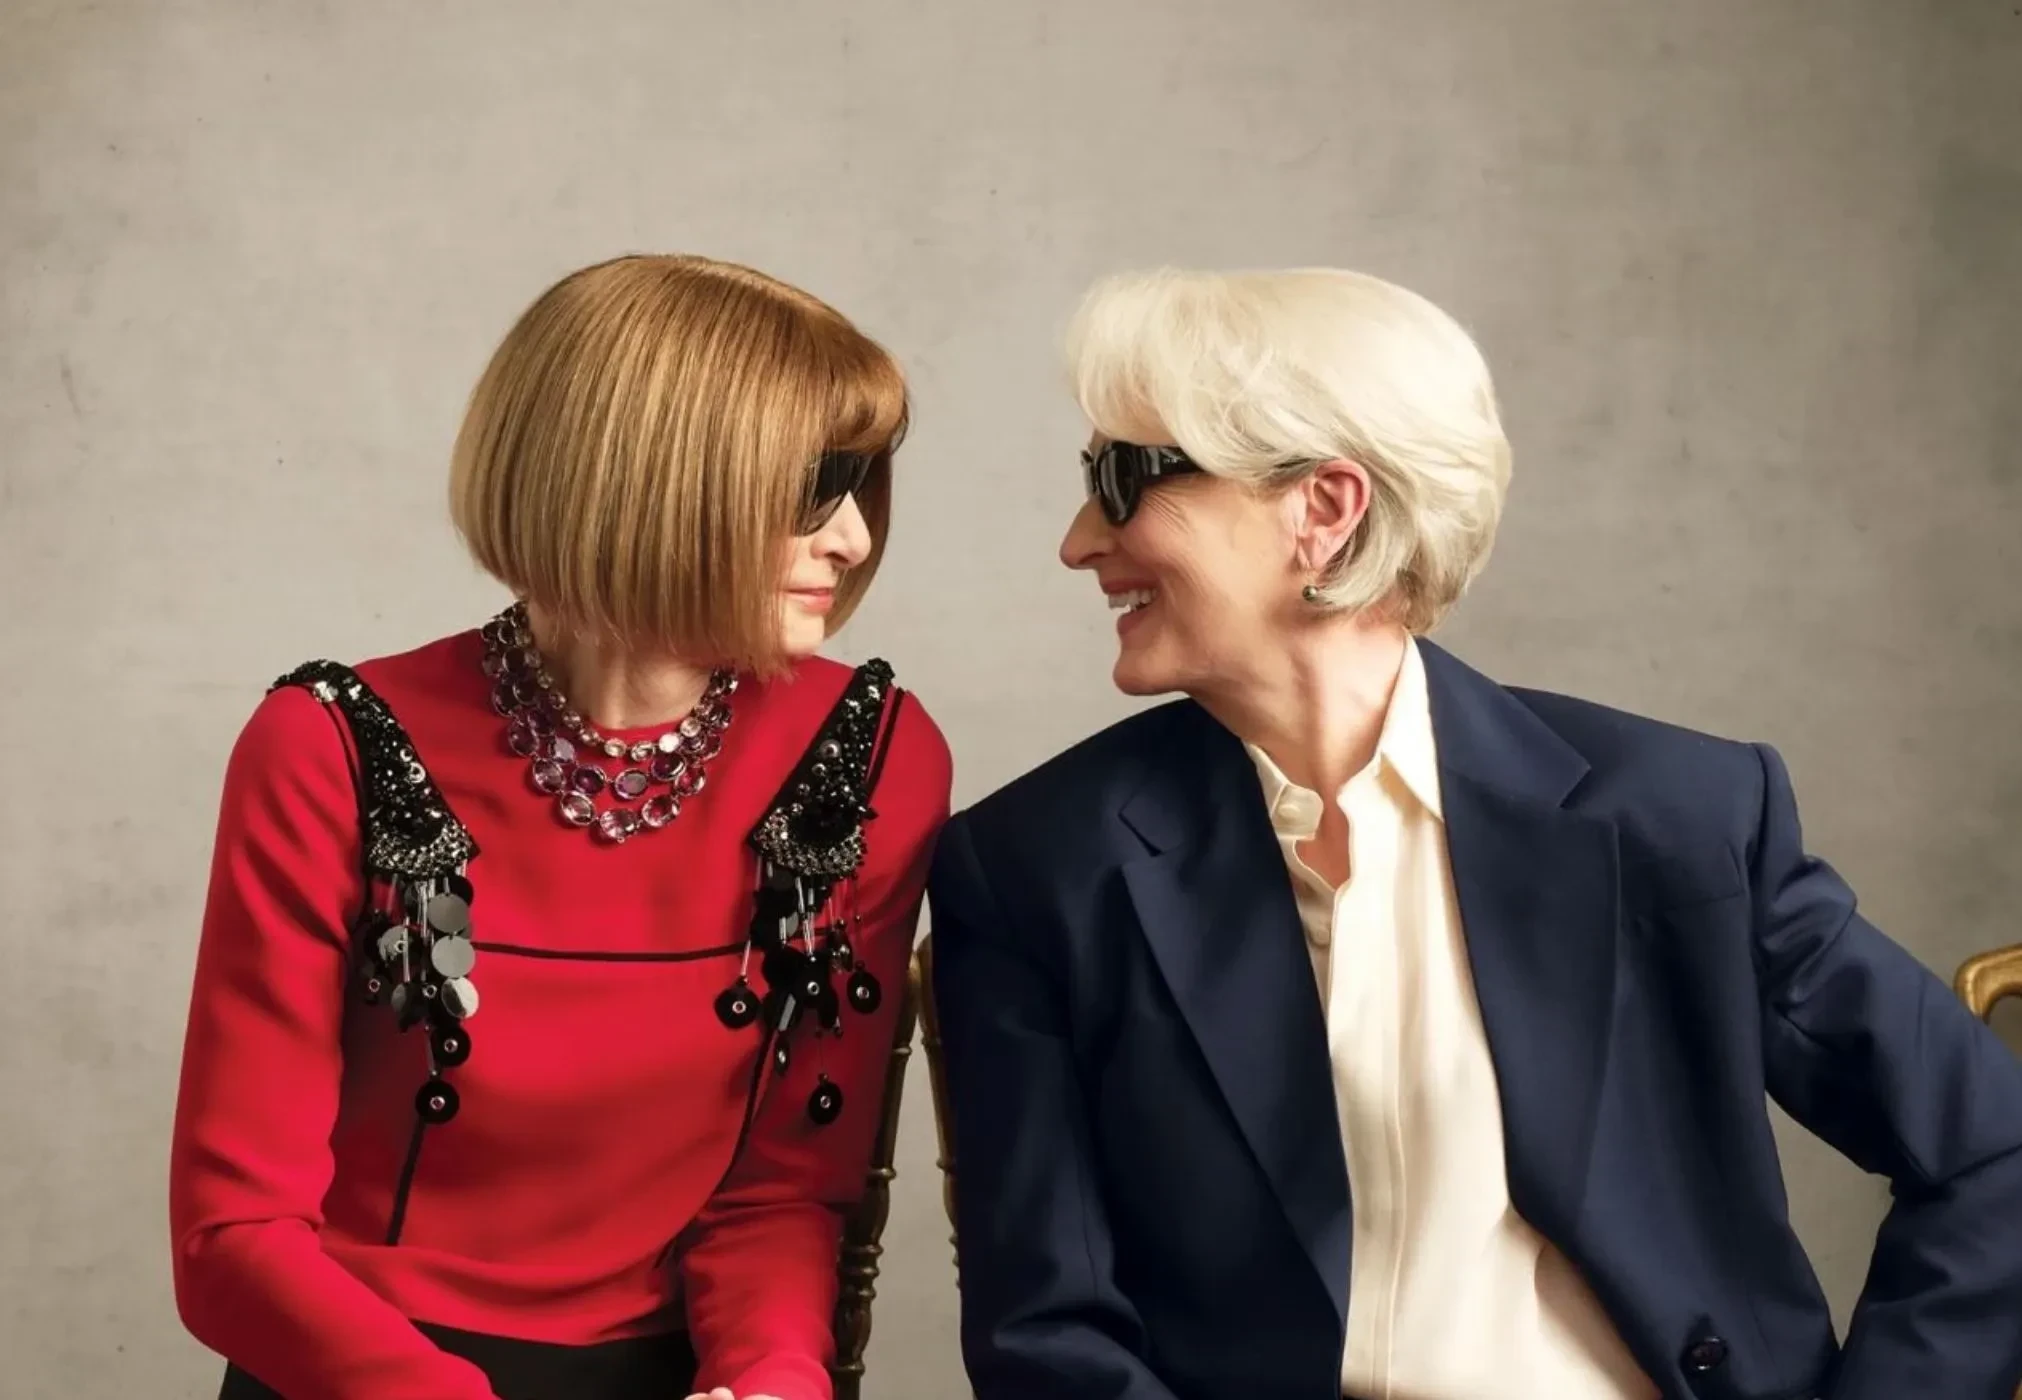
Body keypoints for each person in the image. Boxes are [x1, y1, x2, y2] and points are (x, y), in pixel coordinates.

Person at [927, 266, 2022, 1400]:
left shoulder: (1676, 818)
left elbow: (1994, 1151)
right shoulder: (1035, 869)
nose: (1078, 540)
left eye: (1124, 479)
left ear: (1325, 509)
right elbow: (1048, 1330)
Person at [169, 254, 952, 1400]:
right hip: (352, 1371)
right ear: (649, 478)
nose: (852, 539)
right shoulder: (326, 746)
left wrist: (775, 1378)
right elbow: (233, 1233)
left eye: (860, 487)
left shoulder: (868, 756)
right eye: (810, 489)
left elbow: (784, 1190)